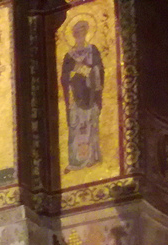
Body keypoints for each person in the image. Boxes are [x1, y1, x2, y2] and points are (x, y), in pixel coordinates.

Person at [61, 20, 104, 170]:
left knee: (90, 126)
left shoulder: (93, 51)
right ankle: (76, 160)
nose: (80, 35)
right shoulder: (69, 56)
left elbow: (100, 71)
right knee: (76, 127)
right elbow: (64, 77)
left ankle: (91, 157)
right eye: (77, 32)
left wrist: (91, 71)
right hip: (75, 96)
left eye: (82, 32)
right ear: (73, 35)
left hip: (90, 95)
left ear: (86, 33)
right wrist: (73, 72)